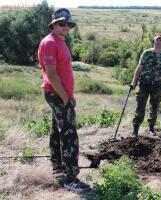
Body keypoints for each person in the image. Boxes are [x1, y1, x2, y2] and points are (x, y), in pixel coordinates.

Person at [38, 8, 90, 193]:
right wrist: (66, 98)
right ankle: (70, 179)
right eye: (62, 23)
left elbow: (61, 73)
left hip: (61, 94)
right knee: (69, 136)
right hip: (57, 94)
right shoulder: (50, 43)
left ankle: (58, 170)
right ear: (53, 25)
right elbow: (52, 74)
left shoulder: (60, 42)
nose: (66, 27)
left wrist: (70, 95)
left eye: (68, 24)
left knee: (58, 132)